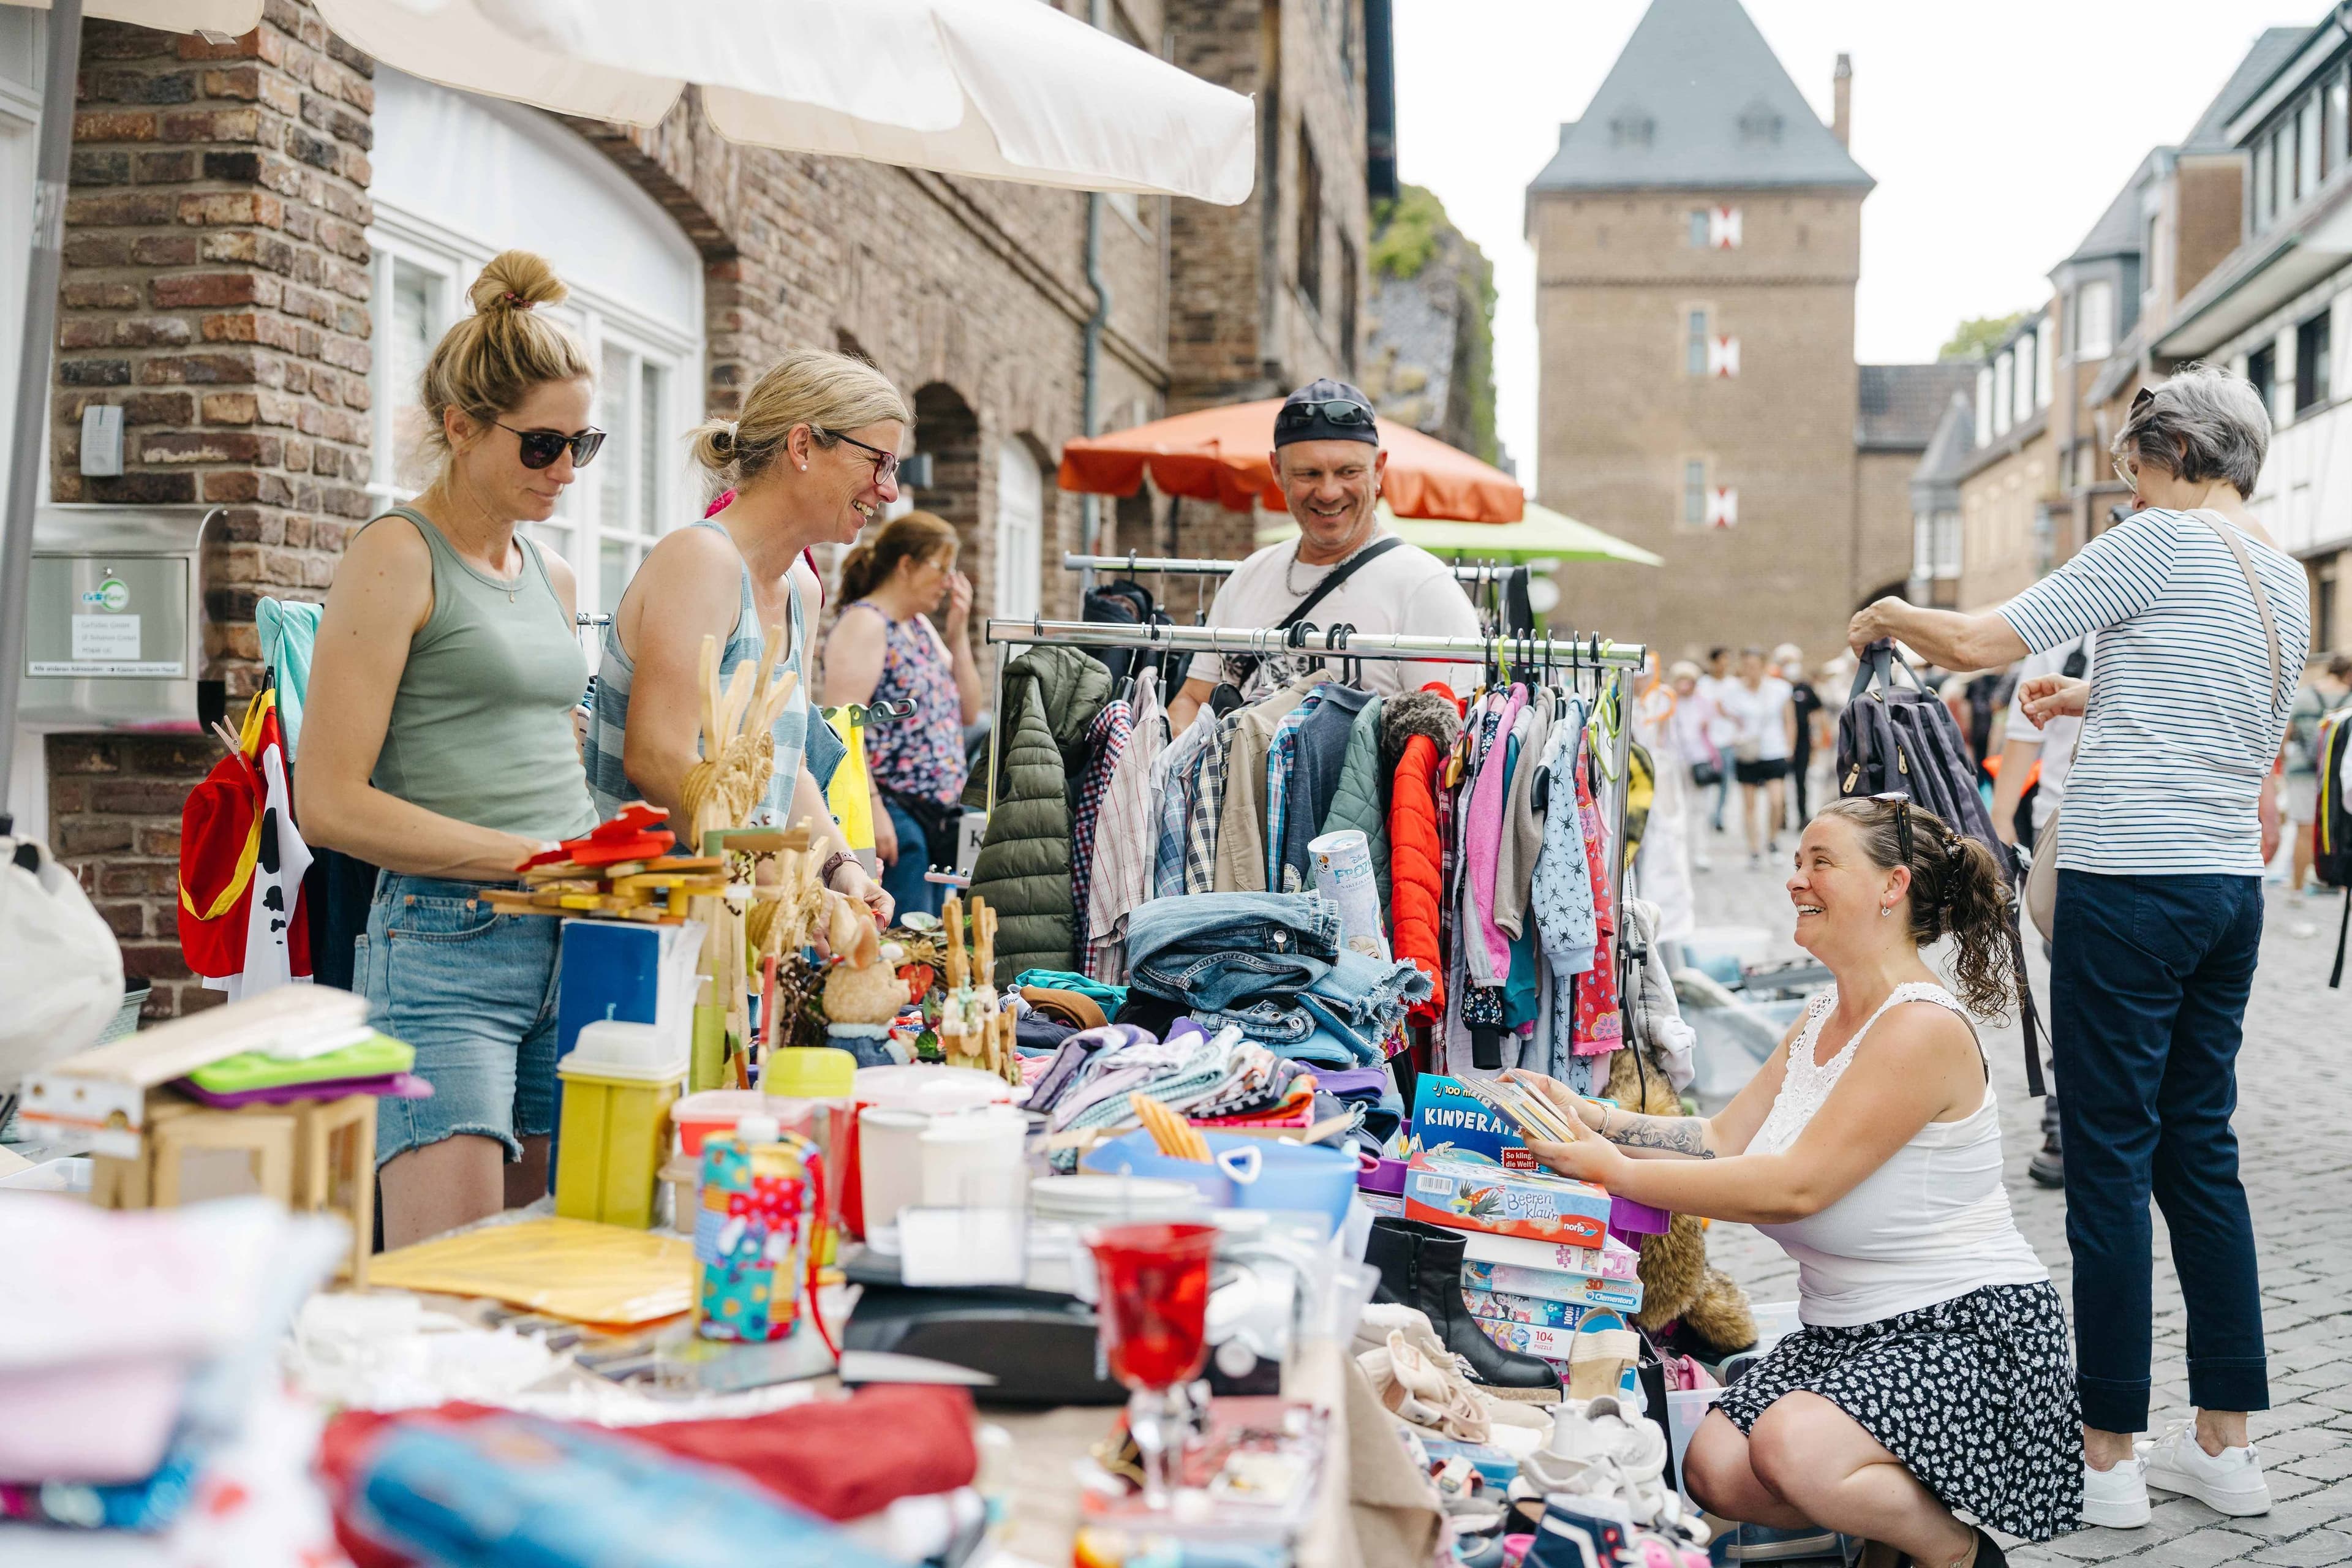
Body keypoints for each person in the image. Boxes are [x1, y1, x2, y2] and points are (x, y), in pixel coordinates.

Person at [1845, 365, 2312, 1527]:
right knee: (2199, 1153)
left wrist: (1894, 614)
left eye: (2135, 467)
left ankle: (2109, 1457)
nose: (2130, 489)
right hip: (2223, 890)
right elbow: (2225, 720)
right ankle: (2229, 1443)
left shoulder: (2160, 542)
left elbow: (1973, 638)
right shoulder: (2285, 575)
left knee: (2107, 1154)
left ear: (2178, 456)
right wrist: (2088, 702)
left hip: (2128, 882)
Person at [1511, 796, 2075, 1567]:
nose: (1795, 881)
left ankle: (1955, 1553)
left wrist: (1612, 1171)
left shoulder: (1919, 1026)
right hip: (1846, 1335)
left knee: (1791, 1449)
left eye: (1820, 862)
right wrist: (1602, 1121)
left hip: (1963, 1329)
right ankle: (1890, 1534)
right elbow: (1718, 1140)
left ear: (1892, 886)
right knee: (1713, 1466)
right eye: (1796, 862)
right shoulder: (1823, 1015)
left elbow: (1795, 1187)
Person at [298, 251, 606, 1247]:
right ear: (463, 426)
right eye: (543, 444)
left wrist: (605, 857)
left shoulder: (550, 573)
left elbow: (545, 753)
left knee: (550, 1273)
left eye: (583, 444)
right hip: (447, 945)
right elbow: (330, 804)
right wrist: (529, 861)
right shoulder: (395, 555)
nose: (564, 470)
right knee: (451, 1286)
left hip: (577, 938)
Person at [580, 347, 900, 927]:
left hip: (739, 938)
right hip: (648, 933)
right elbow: (657, 758)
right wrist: (786, 886)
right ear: (802, 447)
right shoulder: (701, 560)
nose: (889, 490)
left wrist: (840, 869)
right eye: (879, 461)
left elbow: (791, 767)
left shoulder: (800, 588)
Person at [1162, 379, 1482, 734]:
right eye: (1308, 474)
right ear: (1278, 472)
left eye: (1348, 472)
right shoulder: (1248, 577)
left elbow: (1446, 746)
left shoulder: (1426, 588)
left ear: (1378, 469)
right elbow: (1194, 698)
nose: (1329, 492)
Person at [820, 511, 984, 919]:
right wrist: (875, 811)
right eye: (942, 568)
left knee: (927, 937)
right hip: (894, 811)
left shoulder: (919, 626)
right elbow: (840, 728)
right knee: (902, 937)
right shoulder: (866, 624)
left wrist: (958, 633)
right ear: (906, 565)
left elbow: (969, 711)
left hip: (934, 814)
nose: (950, 582)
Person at [1985, 634, 2088, 1190]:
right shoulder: (2070, 627)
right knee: (2076, 994)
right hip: (2067, 839)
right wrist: (1999, 822)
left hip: (2175, 836)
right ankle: (2064, 1122)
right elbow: (2025, 731)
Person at [1716, 647, 1796, 868]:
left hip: (1774, 749)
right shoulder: (1735, 691)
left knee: (1776, 800)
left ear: (1763, 666)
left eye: (1754, 665)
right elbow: (1720, 708)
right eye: (1747, 666)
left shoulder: (1779, 689)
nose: (1750, 670)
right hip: (1748, 751)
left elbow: (1789, 719)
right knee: (1749, 804)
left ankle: (1772, 840)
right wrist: (1736, 728)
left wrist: (1790, 747)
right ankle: (1753, 849)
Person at [2283, 654, 2352, 896]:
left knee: (2303, 830)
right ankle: (2345, 885)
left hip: (2302, 771)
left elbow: (2285, 735)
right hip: (2338, 775)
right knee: (2344, 828)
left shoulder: (2302, 696)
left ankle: (2297, 887)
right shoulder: (2350, 699)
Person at [1666, 659, 1722, 872]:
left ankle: (1700, 851)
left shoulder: (1703, 704)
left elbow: (1711, 732)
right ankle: (1678, 851)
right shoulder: (1669, 703)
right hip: (1675, 761)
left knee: (1699, 808)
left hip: (1699, 761)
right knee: (1677, 807)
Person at [1775, 643, 1823, 829]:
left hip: (1803, 740)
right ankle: (1782, 816)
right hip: (1781, 740)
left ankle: (1802, 814)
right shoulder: (1776, 688)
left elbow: (1816, 712)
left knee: (1801, 780)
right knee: (1781, 781)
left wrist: (1817, 737)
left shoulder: (1805, 688)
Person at [1698, 646, 1735, 832]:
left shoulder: (1733, 685)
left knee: (1725, 782)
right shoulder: (1703, 684)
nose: (1724, 665)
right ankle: (1705, 815)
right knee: (1706, 781)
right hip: (1707, 742)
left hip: (1726, 741)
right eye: (1721, 661)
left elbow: (1737, 712)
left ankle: (1719, 815)